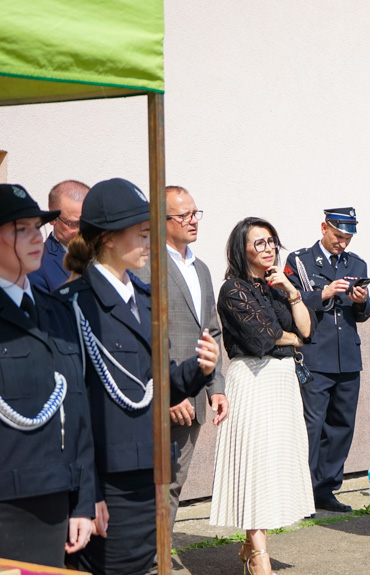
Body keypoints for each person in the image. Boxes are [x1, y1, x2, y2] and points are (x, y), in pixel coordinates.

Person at [60, 178, 220, 575]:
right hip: (107, 480)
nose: (151, 243)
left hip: (149, 470)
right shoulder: (76, 305)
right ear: (109, 239)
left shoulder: (145, 300)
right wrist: (86, 494)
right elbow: (74, 412)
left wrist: (198, 371)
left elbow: (156, 380)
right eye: (143, 234)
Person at [211, 217, 315, 575]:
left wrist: (290, 290)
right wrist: (292, 337)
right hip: (252, 382)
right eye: (260, 243)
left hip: (282, 382)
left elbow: (305, 328)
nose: (269, 248)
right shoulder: (233, 289)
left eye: (272, 241)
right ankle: (259, 556)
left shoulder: (276, 286)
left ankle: (250, 543)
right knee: (254, 464)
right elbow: (264, 338)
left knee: (273, 466)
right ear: (242, 250)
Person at [0, 184, 95, 566]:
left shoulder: (57, 310)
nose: (35, 238)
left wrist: (84, 502)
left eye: (37, 227)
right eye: (20, 228)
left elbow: (78, 412)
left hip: (56, 500)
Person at [137, 185, 229, 535]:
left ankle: (158, 557)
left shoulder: (200, 268)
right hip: (159, 397)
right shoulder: (147, 266)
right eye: (184, 215)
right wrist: (169, 393)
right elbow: (144, 336)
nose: (193, 221)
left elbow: (211, 331)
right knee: (150, 487)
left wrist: (214, 387)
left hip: (193, 400)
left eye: (195, 213)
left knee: (173, 487)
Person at [285, 207, 370, 513]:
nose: (342, 243)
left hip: (347, 356)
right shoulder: (300, 261)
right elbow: (289, 300)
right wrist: (322, 293)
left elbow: (365, 313)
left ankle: (326, 489)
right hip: (315, 355)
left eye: (347, 238)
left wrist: (362, 302)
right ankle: (301, 489)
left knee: (341, 426)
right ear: (324, 227)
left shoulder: (356, 263)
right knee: (311, 425)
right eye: (338, 236)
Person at [28, 180, 89, 292]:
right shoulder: (37, 265)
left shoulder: (106, 252)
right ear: (52, 219)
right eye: (73, 224)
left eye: (87, 221)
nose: (82, 229)